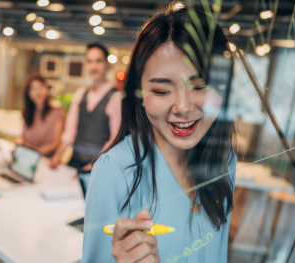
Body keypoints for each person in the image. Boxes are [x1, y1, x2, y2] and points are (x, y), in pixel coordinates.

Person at [82, 5, 237, 263]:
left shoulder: (225, 160)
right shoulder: (115, 173)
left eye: (200, 86)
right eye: (161, 91)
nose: (184, 108)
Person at [49, 43, 121, 169]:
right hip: (75, 161)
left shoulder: (116, 98)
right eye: (89, 61)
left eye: (98, 61)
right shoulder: (80, 94)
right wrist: (57, 156)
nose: (93, 66)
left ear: (107, 65)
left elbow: (115, 140)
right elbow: (69, 132)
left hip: (99, 166)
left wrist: (93, 165)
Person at [17, 75, 64, 157]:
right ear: (28, 92)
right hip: (27, 156)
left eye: (40, 87)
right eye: (33, 88)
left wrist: (34, 153)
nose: (37, 91)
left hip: (45, 160)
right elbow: (23, 137)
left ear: (46, 89)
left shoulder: (57, 113)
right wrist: (20, 144)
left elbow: (55, 144)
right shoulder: (27, 112)